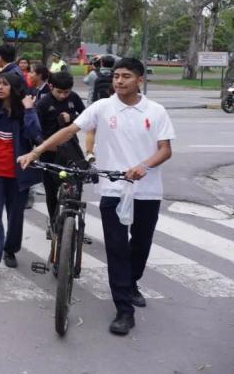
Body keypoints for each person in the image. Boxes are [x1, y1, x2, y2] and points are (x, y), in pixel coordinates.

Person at [19, 58, 175, 336]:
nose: (119, 81)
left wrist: (144, 166)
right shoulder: (102, 107)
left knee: (139, 245)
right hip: (113, 189)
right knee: (115, 249)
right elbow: (68, 131)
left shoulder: (156, 110)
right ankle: (124, 310)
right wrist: (37, 151)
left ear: (139, 80)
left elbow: (165, 149)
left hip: (146, 190)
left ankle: (132, 281)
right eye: (116, 76)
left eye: (126, 76)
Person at [0, 72, 41, 278]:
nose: (0, 88)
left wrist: (29, 111)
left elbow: (36, 135)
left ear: (15, 87)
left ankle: (10, 249)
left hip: (18, 175)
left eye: (5, 84)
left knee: (15, 216)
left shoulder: (24, 111)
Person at [34, 71, 87, 238]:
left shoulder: (74, 98)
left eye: (67, 92)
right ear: (50, 87)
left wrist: (71, 116)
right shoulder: (43, 103)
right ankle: (53, 223)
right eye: (59, 92)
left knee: (76, 186)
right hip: (50, 152)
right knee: (51, 190)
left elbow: (86, 117)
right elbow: (35, 130)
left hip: (71, 149)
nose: (63, 96)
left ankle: (73, 225)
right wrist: (43, 147)